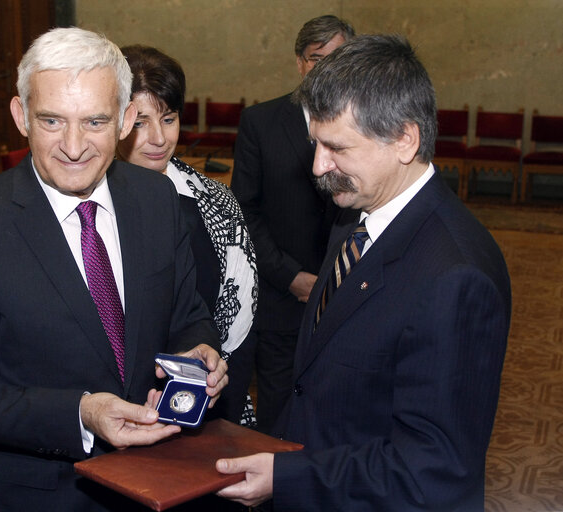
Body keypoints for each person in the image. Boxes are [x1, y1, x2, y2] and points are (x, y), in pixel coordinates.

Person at [0, 27, 227, 511]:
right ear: (21, 116)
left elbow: (186, 313)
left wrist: (201, 350)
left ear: (126, 120)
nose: (75, 145)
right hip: (37, 496)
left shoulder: (156, 199)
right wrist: (80, 413)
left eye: (95, 122)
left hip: (157, 483)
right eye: (52, 121)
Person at [216, 34, 512, 511]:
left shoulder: (456, 276)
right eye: (316, 144)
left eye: (337, 148)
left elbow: (432, 471)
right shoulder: (353, 217)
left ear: (404, 140)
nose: (318, 166)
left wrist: (290, 477)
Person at [117, 45, 258, 426]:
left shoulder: (216, 203)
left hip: (208, 406)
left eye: (169, 118)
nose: (159, 138)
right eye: (141, 122)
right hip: (113, 412)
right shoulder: (92, 205)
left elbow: (239, 319)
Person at [230, 15, 355, 433]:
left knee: (338, 408)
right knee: (278, 411)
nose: (326, 69)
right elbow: (245, 211)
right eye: (317, 58)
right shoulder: (260, 122)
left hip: (346, 294)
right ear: (300, 63)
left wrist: (336, 277)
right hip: (280, 297)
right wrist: (292, 277)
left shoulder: (369, 125)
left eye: (338, 58)